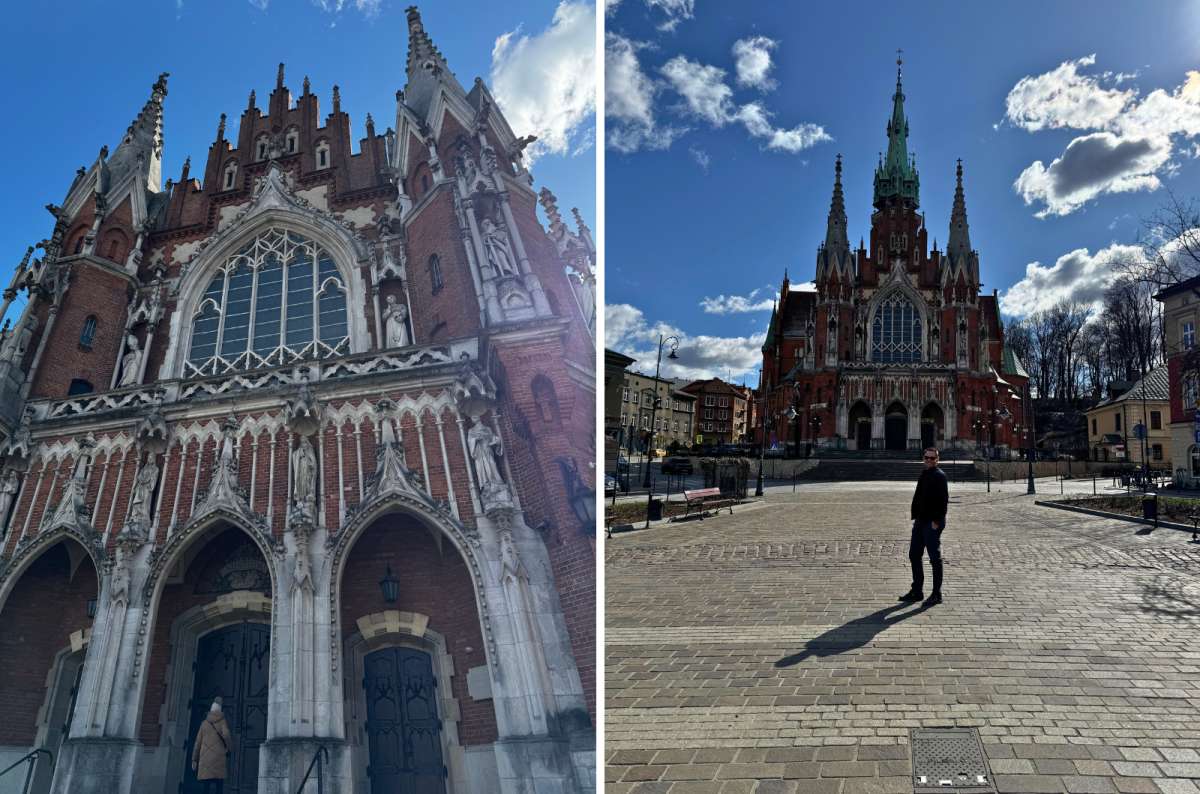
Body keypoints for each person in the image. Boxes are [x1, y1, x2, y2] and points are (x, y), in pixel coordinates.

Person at [899, 446, 949, 607]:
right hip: (921, 521)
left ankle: (936, 593)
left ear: (937, 460)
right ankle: (917, 590)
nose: (928, 460)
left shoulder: (939, 476)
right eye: (926, 457)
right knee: (914, 554)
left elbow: (943, 501)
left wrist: (936, 521)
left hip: (932, 522)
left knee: (934, 558)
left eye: (932, 458)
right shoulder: (925, 473)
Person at [191, 697, 231, 793]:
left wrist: (194, 759)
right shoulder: (222, 722)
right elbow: (227, 737)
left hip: (206, 759)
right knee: (219, 784)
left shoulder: (204, 724)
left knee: (206, 785)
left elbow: (198, 743)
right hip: (219, 758)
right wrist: (229, 749)